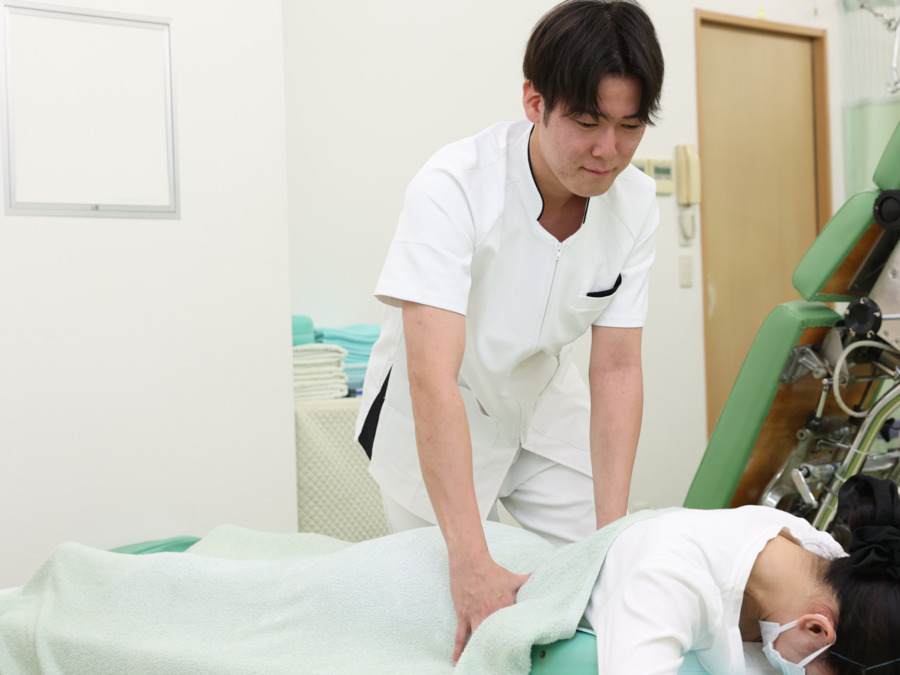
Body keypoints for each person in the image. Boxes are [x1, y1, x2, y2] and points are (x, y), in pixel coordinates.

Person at [355, 0, 664, 662]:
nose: (608, 150)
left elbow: (616, 368)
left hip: (542, 403)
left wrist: (609, 534)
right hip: (437, 406)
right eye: (587, 121)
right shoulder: (453, 186)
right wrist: (470, 561)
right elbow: (431, 372)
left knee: (609, 575)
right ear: (534, 100)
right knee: (447, 623)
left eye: (629, 125)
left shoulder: (634, 204)